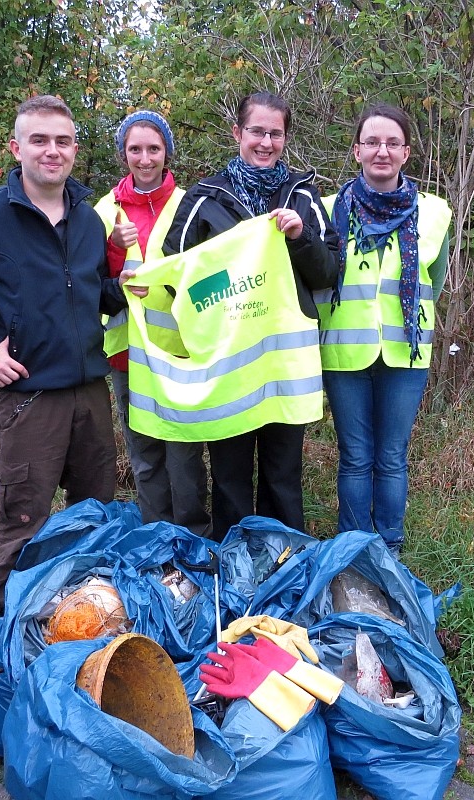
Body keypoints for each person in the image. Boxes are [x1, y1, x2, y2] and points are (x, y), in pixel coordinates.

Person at [0, 95, 143, 614]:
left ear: (75, 151)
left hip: (88, 391)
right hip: (29, 397)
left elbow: (86, 295)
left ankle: (79, 629)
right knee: (23, 523)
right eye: (39, 140)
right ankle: (2, 641)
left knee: (92, 521)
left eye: (62, 141)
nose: (51, 151)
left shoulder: (88, 221)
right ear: (17, 147)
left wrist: (119, 287)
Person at [163, 91, 339, 541]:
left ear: (285, 138)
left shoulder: (303, 196)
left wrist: (300, 237)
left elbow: (327, 271)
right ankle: (236, 560)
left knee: (283, 473)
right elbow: (173, 267)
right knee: (231, 472)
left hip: (286, 361)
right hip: (230, 361)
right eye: (257, 131)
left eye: (275, 133)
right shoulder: (206, 199)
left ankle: (284, 561)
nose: (266, 142)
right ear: (238, 132)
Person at [314, 103, 452, 554]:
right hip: (344, 352)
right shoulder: (329, 210)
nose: (382, 151)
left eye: (392, 143)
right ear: (356, 150)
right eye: (372, 142)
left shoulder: (433, 213)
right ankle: (353, 550)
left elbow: (438, 277)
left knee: (391, 458)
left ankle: (388, 548)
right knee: (356, 457)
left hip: (404, 355)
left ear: (406, 153)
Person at [94, 110, 211, 535]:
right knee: (143, 452)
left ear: (167, 153)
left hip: (178, 349)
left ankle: (194, 537)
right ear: (124, 154)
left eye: (154, 148)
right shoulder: (105, 210)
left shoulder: (191, 203)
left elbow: (204, 273)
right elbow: (89, 280)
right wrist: (112, 249)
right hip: (126, 350)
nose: (145, 158)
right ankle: (155, 537)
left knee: (183, 451)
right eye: (135, 149)